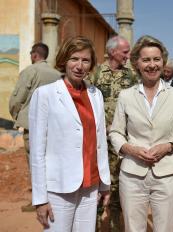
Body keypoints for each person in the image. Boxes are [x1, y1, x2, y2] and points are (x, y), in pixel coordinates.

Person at [109, 35, 173, 232]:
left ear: (163, 61)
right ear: (137, 63)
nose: (152, 65)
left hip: (167, 174)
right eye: (146, 59)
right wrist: (131, 148)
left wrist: (169, 146)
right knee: (133, 228)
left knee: (164, 228)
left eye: (156, 59)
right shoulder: (126, 96)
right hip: (132, 174)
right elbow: (116, 133)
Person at [29, 36, 111, 231]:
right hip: (59, 187)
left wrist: (104, 183)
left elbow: (100, 141)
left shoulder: (95, 94)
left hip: (90, 184)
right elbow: (37, 150)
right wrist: (40, 199)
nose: (79, 66)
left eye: (85, 60)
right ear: (64, 60)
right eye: (74, 58)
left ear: (91, 65)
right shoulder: (45, 94)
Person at [89, 35, 137, 231]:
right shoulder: (96, 74)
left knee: (118, 186)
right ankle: (96, 224)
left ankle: (116, 226)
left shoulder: (132, 76)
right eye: (125, 51)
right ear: (112, 52)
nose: (128, 55)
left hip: (121, 143)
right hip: (98, 142)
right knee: (98, 184)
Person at [9, 42, 60, 212]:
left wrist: (17, 116)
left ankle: (39, 201)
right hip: (53, 126)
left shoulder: (29, 71)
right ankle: (55, 198)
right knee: (51, 161)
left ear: (34, 55)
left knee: (35, 162)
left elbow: (17, 99)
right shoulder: (57, 74)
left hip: (32, 126)